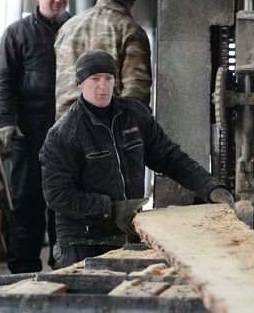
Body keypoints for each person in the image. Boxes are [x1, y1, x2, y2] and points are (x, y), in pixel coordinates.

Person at [40, 50, 234, 268]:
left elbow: (170, 158)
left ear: (116, 81)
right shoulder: (64, 134)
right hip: (82, 240)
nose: (102, 86)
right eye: (94, 79)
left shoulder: (134, 115)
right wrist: (110, 209)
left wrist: (209, 187)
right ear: (80, 84)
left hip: (128, 233)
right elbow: (57, 195)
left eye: (108, 78)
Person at [0, 0, 70, 273]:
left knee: (62, 200)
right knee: (27, 201)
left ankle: (61, 264)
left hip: (64, 131)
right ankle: (22, 270)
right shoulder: (17, 33)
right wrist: (5, 122)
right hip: (29, 130)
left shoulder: (72, 29)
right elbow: (2, 81)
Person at [54, 0, 151, 118]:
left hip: (65, 127)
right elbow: (137, 89)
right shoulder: (129, 29)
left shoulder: (68, 27)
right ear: (131, 1)